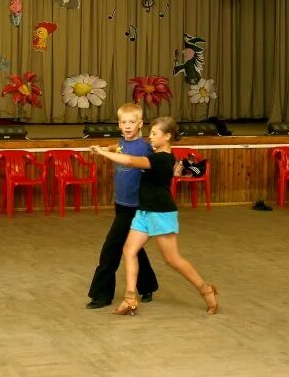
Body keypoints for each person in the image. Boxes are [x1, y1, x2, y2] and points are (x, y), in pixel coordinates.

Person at [90, 116, 219, 316]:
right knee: (129, 250)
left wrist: (102, 153)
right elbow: (126, 149)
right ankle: (130, 299)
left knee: (173, 259)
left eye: (154, 134)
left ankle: (205, 289)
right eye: (150, 133)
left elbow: (131, 160)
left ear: (167, 136)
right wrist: (108, 148)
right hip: (143, 211)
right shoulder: (158, 153)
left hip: (161, 212)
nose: (150, 137)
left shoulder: (162, 158)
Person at [86, 103, 159, 309]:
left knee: (111, 248)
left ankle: (101, 295)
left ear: (140, 124)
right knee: (134, 248)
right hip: (121, 204)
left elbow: (155, 163)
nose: (128, 126)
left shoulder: (144, 147)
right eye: (124, 122)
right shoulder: (121, 143)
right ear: (119, 124)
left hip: (136, 208)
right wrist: (102, 148)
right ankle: (148, 286)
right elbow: (116, 148)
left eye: (132, 122)